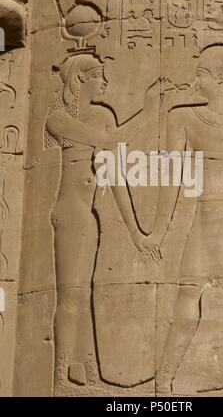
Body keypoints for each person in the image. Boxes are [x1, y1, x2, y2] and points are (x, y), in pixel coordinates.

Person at [142, 45, 223, 396]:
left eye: (200, 72)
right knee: (188, 297)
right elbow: (170, 177)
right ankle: (164, 379)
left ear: (219, 78)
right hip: (201, 220)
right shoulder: (182, 117)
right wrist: (157, 232)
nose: (194, 77)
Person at [45, 52, 171, 389]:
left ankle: (86, 374)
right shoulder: (57, 118)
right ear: (80, 78)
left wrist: (136, 234)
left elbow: (115, 177)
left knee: (82, 295)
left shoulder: (102, 116)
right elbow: (110, 142)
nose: (105, 82)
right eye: (99, 75)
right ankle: (58, 381)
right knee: (69, 299)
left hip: (88, 217)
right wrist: (147, 109)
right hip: (69, 214)